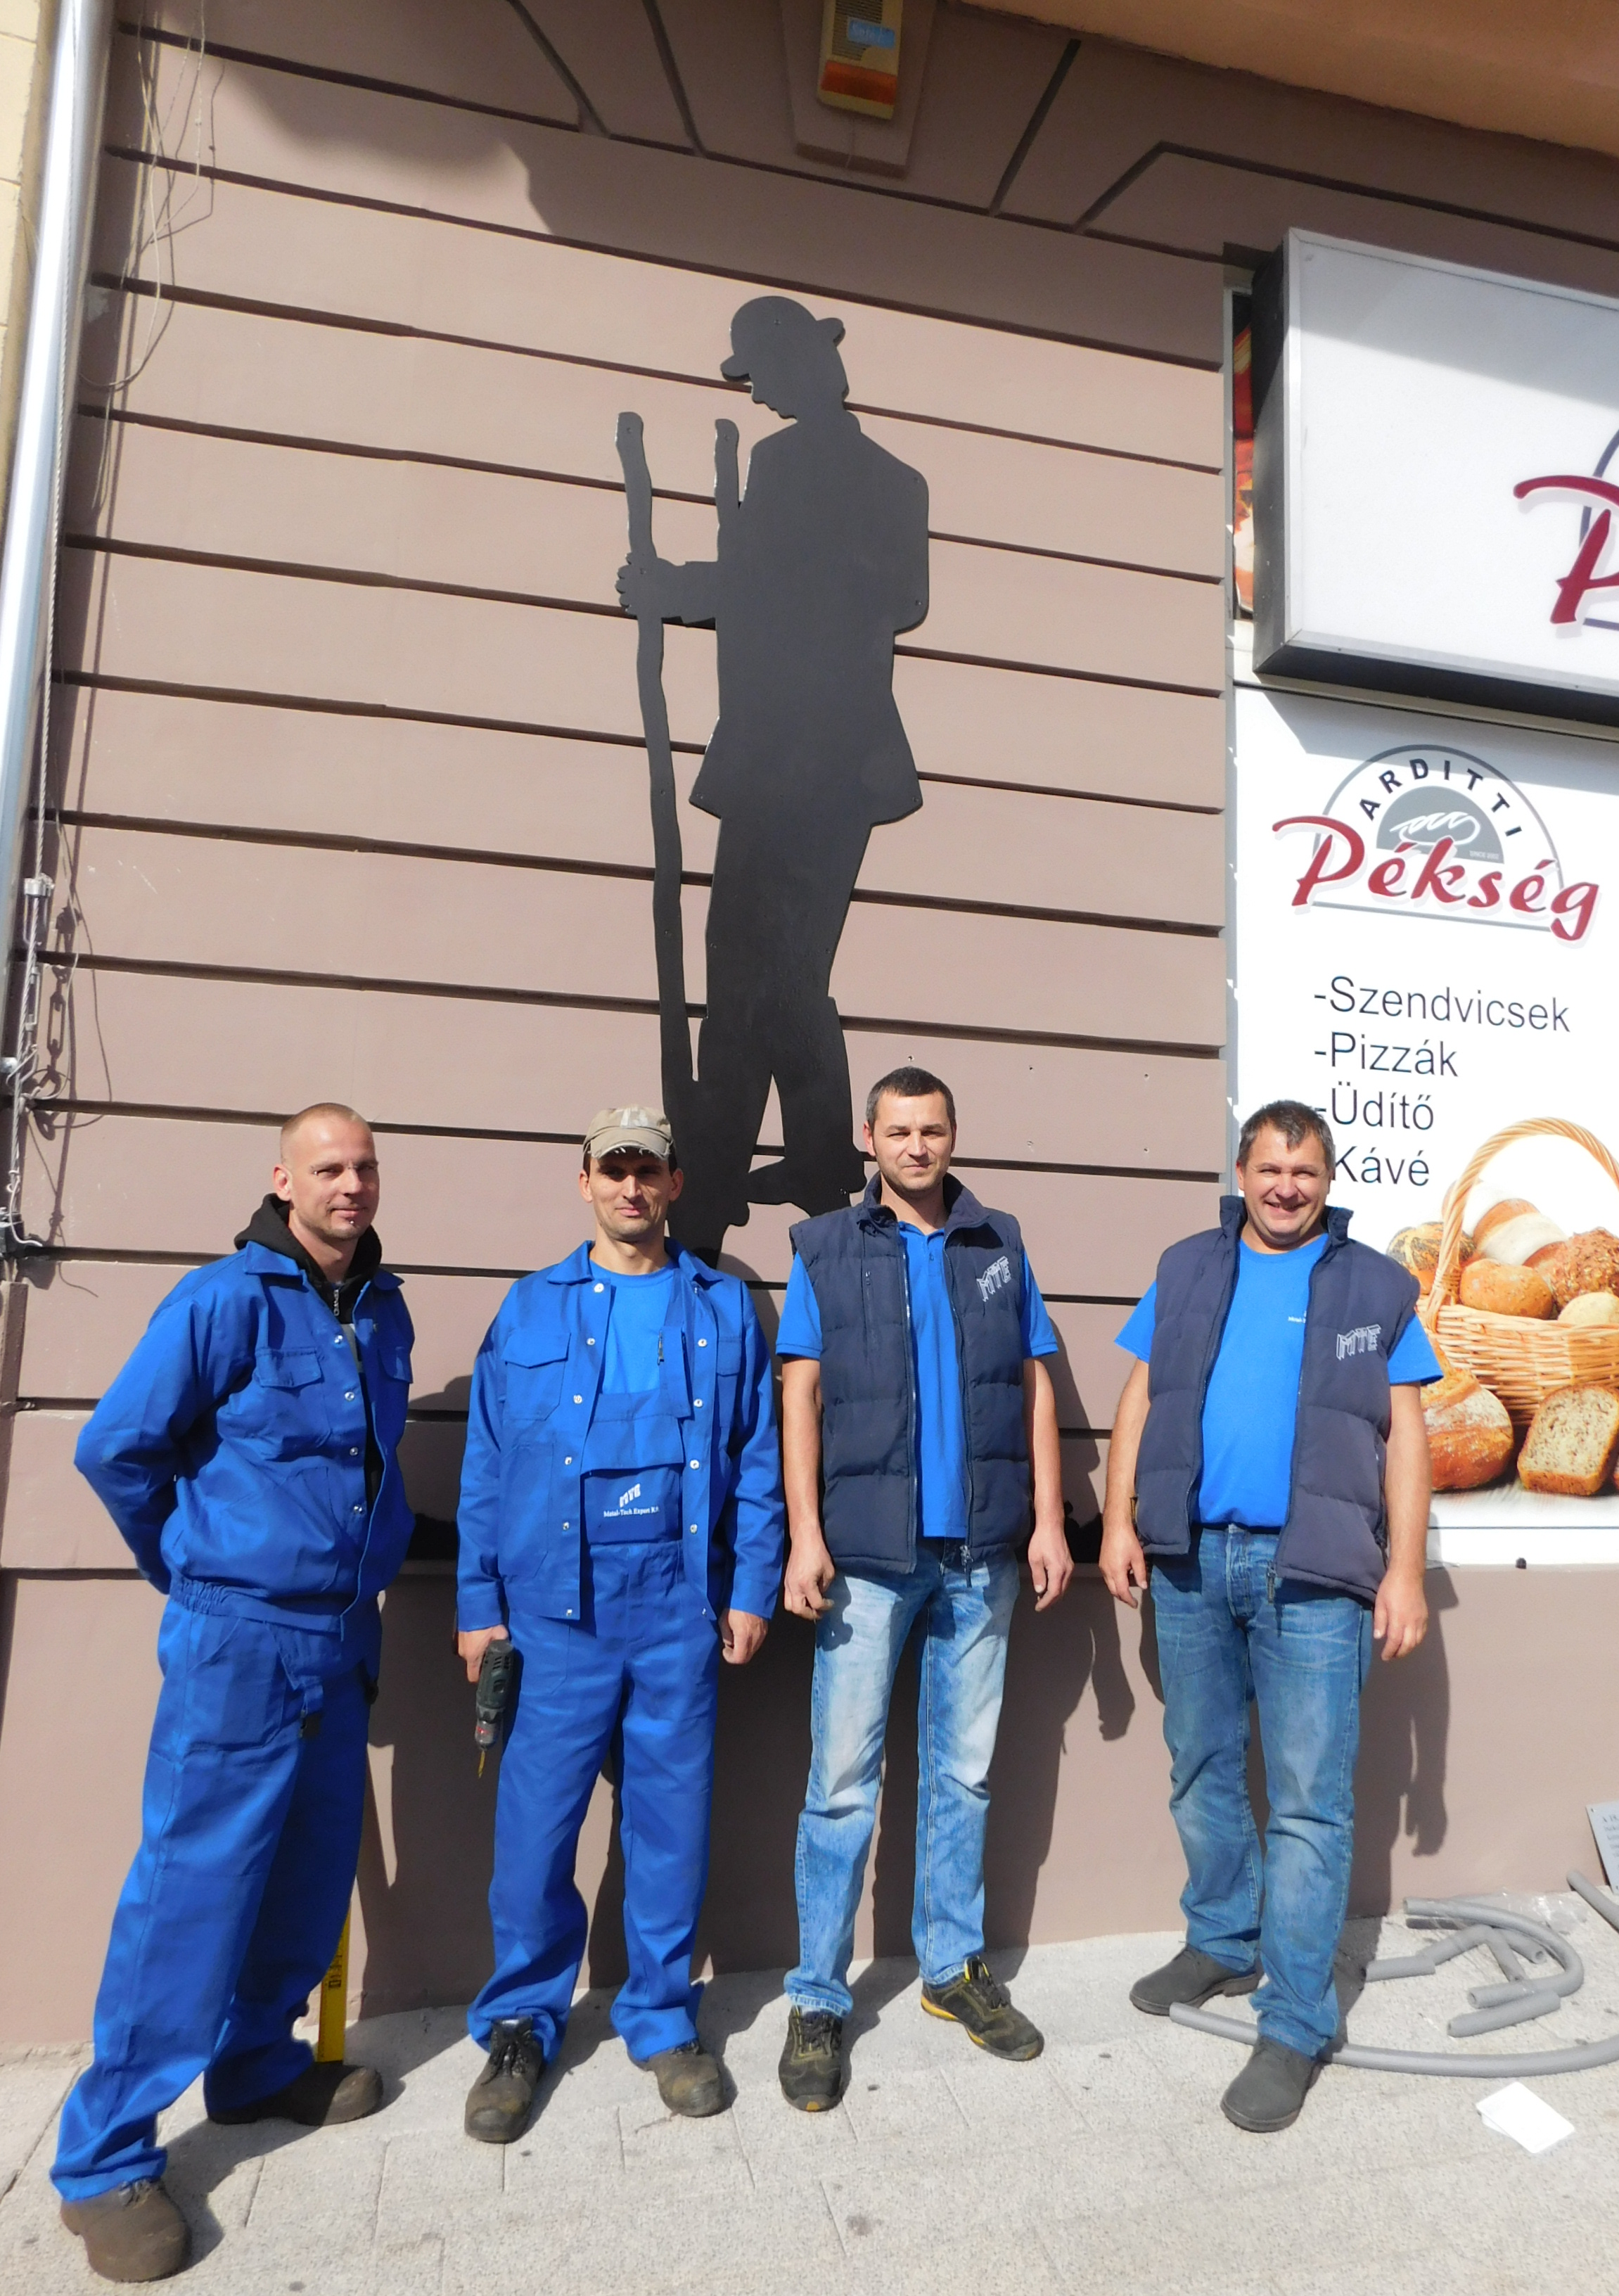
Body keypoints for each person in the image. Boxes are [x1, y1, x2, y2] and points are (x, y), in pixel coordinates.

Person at [53, 1106, 415, 2283]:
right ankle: (104, 2159)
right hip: (241, 1643)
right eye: (329, 1168)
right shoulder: (224, 1300)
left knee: (308, 1874)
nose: (351, 1185)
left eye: (365, 1167)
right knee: (193, 1889)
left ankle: (256, 2066)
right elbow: (116, 1448)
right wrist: (195, 1568)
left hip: (341, 1639)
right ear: (283, 1181)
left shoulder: (384, 1309)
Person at [1100, 1099, 1438, 2134]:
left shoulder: (1376, 1285)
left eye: (1306, 1172)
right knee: (1200, 1767)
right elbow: (1139, 1398)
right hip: (1193, 1560)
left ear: (1328, 1181)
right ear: (1241, 1173)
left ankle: (1293, 2023)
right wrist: (1116, 1521)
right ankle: (1222, 1940)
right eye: (1270, 1168)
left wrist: (1406, 1573)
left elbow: (1408, 1436)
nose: (1287, 1187)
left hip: (1318, 1572)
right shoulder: (1186, 1268)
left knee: (1307, 1805)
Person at [455, 1105, 783, 2141]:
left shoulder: (723, 1308)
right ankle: (521, 2022)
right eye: (614, 1170)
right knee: (535, 1830)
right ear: (585, 1180)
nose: (631, 1187)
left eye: (649, 1170)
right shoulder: (530, 1309)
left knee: (670, 1827)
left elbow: (759, 1458)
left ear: (676, 1183)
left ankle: (661, 2016)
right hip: (554, 1617)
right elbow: (486, 1462)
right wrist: (477, 1603)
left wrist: (752, 1587)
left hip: (677, 1610)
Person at [774, 1066, 1074, 2108]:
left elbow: (1033, 1384)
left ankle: (951, 1966)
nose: (916, 1146)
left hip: (981, 1555)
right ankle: (819, 1997)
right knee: (840, 1786)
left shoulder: (999, 1243)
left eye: (932, 1130)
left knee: (965, 1773)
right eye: (898, 1131)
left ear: (953, 1136)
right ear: (869, 1138)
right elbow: (800, 1395)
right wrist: (803, 1537)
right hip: (865, 1559)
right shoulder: (825, 1247)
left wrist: (1047, 1520)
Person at [617, 295, 930, 1250]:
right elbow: (877, 599)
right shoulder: (899, 480)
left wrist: (673, 589)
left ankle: (728, 1164)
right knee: (791, 968)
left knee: (747, 963)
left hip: (792, 754)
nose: (759, 398)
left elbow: (769, 582)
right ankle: (811, 1152)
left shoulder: (791, 464)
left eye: (762, 376)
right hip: (850, 763)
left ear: (804, 367)